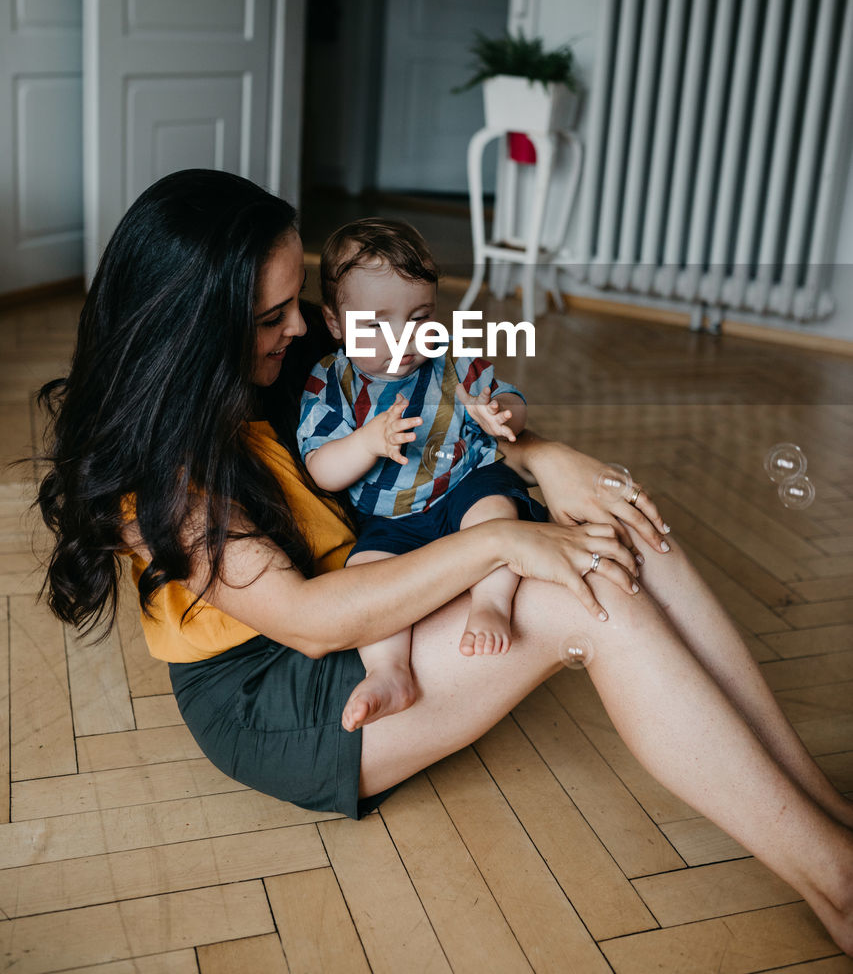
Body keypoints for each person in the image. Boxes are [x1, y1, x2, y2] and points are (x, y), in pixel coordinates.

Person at [37, 169, 853, 954]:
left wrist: (543, 453)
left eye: (299, 304)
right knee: (582, 596)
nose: (297, 328)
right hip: (280, 686)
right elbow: (317, 627)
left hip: (363, 582)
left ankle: (822, 816)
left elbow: (433, 422)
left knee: (613, 526)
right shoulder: (160, 478)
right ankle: (839, 883)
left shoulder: (272, 362)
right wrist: (500, 540)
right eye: (271, 315)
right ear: (194, 328)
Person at [297, 218, 547, 730]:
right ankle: (391, 671)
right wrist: (365, 442)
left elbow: (514, 401)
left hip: (462, 484)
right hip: (390, 519)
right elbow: (323, 469)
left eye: (420, 318)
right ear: (336, 322)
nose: (404, 340)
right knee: (364, 573)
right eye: (377, 325)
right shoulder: (331, 380)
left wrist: (497, 414)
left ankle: (492, 604)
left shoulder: (450, 360)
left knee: (496, 512)